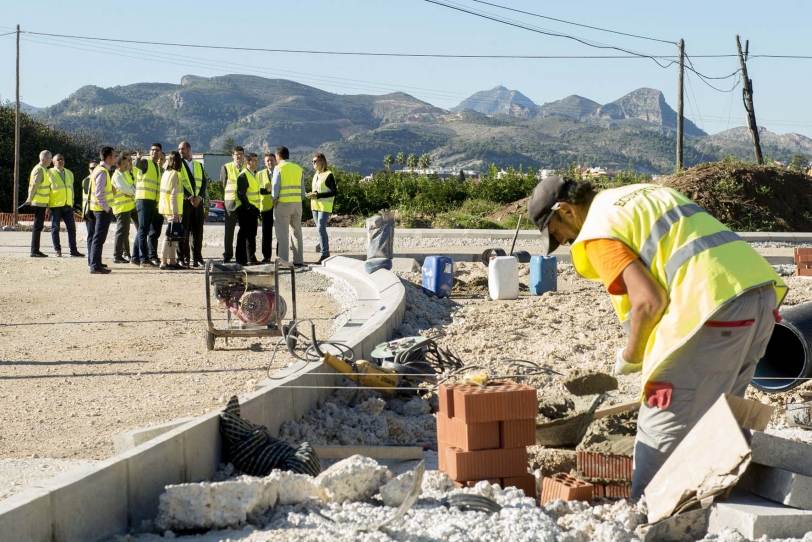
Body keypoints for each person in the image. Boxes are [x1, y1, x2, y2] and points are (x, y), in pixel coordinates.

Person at [527, 176, 788, 497]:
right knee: (721, 418)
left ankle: (651, 518)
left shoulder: (597, 229)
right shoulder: (636, 195)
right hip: (758, 297)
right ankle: (712, 509)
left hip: (712, 310)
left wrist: (632, 354)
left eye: (557, 234)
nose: (564, 243)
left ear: (566, 211)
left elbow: (648, 301)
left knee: (658, 430)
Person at [176, 141, 208, 267]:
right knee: (184, 231)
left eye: (182, 149)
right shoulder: (178, 164)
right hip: (185, 202)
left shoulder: (198, 165)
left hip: (198, 203)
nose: (180, 151)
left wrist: (199, 198)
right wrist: (189, 197)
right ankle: (183, 258)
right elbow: (178, 183)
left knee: (198, 231)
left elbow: (203, 183)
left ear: (189, 149)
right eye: (179, 149)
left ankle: (197, 258)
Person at [271, 146, 305, 266]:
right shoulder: (298, 168)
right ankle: (299, 260)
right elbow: (303, 191)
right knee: (297, 232)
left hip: (283, 204)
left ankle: (284, 261)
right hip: (297, 204)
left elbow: (275, 186)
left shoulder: (279, 168)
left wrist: (274, 199)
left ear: (278, 156)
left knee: (283, 234)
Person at [134, 143, 165, 267]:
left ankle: (135, 257)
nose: (154, 152)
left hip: (152, 201)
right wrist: (138, 158)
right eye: (152, 150)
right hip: (144, 200)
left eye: (157, 150)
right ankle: (144, 259)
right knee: (143, 230)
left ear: (160, 152)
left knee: (143, 230)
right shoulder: (146, 163)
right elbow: (138, 165)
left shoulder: (157, 167)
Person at [87, 147, 117, 274]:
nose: (115, 159)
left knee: (98, 237)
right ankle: (95, 265)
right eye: (114, 156)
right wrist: (106, 208)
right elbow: (99, 194)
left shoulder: (99, 170)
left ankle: (96, 262)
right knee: (99, 238)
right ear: (108, 157)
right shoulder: (102, 172)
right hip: (101, 210)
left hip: (97, 209)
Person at [48, 154, 83, 258]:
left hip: (67, 205)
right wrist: (47, 205)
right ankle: (57, 250)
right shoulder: (49, 173)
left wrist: (71, 202)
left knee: (72, 228)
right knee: (55, 228)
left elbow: (71, 189)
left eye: (62, 159)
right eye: (58, 159)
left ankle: (73, 250)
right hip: (55, 206)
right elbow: (47, 189)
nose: (61, 160)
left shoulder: (69, 173)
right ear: (53, 162)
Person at [307, 153, 337, 264]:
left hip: (324, 206)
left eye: (315, 161)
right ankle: (325, 252)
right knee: (320, 229)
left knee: (321, 229)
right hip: (315, 206)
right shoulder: (315, 175)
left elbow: (334, 192)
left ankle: (325, 253)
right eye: (312, 161)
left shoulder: (328, 175)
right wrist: (312, 195)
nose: (313, 163)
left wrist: (318, 195)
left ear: (322, 162)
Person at [111, 153, 139, 264]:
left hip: (131, 206)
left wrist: (131, 191)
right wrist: (131, 191)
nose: (126, 165)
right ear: (117, 165)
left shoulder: (126, 174)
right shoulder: (116, 176)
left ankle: (129, 253)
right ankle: (118, 255)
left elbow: (133, 186)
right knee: (122, 232)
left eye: (126, 163)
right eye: (123, 164)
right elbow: (127, 190)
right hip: (121, 207)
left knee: (138, 228)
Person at [158, 151, 183, 270]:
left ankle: (172, 261)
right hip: (171, 209)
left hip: (164, 207)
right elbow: (173, 195)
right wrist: (175, 212)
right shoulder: (175, 174)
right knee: (169, 236)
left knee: (172, 236)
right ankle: (163, 261)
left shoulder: (166, 173)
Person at [25, 150, 52, 257]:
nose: (51, 160)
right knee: (37, 227)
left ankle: (36, 250)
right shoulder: (40, 169)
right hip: (38, 202)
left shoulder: (43, 169)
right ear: (46, 159)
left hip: (42, 202)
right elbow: (35, 185)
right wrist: (29, 198)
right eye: (50, 158)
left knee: (39, 226)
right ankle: (34, 250)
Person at [236, 153, 261, 265]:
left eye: (257, 160)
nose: (256, 163)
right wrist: (248, 207)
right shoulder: (243, 175)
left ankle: (251, 257)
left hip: (253, 209)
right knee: (244, 234)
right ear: (248, 162)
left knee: (252, 234)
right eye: (254, 161)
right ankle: (241, 258)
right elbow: (241, 194)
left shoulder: (254, 175)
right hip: (245, 209)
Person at [221, 146, 245, 263]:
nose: (239, 156)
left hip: (243, 204)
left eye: (241, 154)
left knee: (244, 231)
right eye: (237, 154)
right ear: (232, 155)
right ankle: (228, 254)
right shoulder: (226, 167)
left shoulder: (247, 167)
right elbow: (223, 185)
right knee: (229, 231)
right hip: (230, 202)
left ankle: (241, 255)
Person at [258, 153, 276, 263]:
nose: (270, 162)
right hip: (266, 207)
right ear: (265, 163)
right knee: (266, 233)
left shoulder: (280, 173)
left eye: (271, 160)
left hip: (279, 206)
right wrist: (268, 189)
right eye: (267, 161)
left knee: (280, 232)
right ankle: (266, 256)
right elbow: (259, 190)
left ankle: (280, 256)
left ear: (275, 160)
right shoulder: (259, 174)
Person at [82, 159, 100, 260]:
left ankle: (97, 260)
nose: (93, 170)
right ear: (89, 170)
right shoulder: (87, 180)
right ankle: (91, 259)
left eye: (95, 168)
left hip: (98, 210)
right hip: (89, 212)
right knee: (91, 236)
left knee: (97, 237)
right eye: (91, 168)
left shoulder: (101, 178)